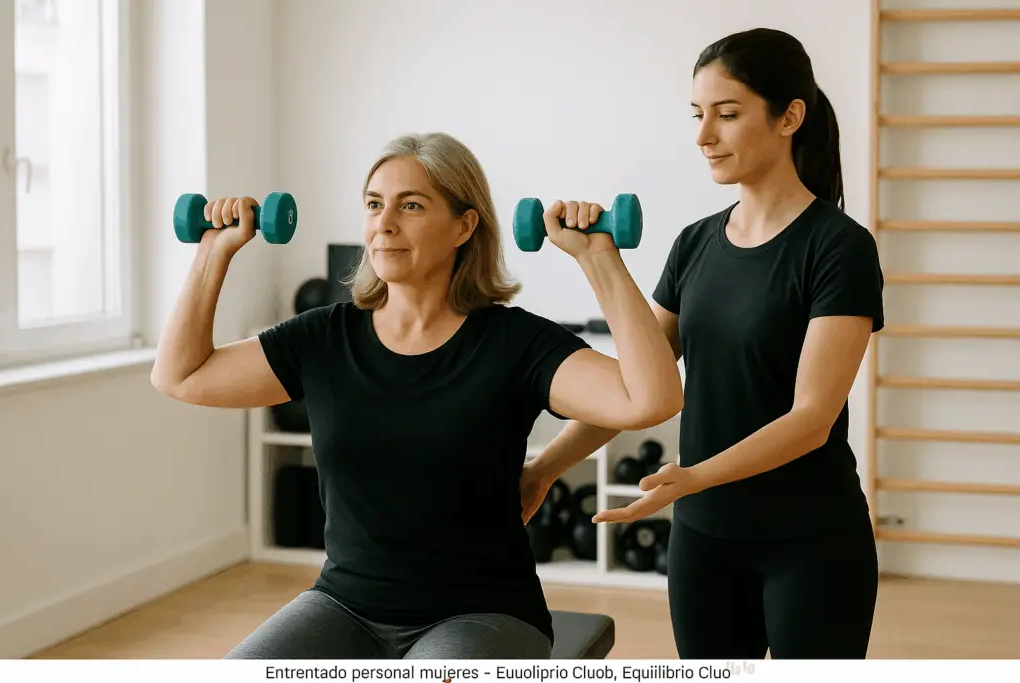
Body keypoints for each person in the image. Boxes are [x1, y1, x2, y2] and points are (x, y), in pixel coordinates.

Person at [150, 131, 684, 659]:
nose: (384, 224)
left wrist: (598, 258)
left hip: (483, 612)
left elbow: (650, 400)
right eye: (374, 204)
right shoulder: (323, 338)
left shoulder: (513, 343)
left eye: (410, 205)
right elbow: (181, 376)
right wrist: (212, 252)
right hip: (344, 605)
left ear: (464, 226)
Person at [522, 28, 885, 660]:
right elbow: (637, 384)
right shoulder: (695, 244)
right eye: (697, 115)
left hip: (811, 540)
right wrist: (545, 468)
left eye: (727, 114)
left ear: (789, 117)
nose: (703, 136)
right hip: (704, 542)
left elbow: (811, 419)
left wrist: (691, 478)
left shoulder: (838, 248)